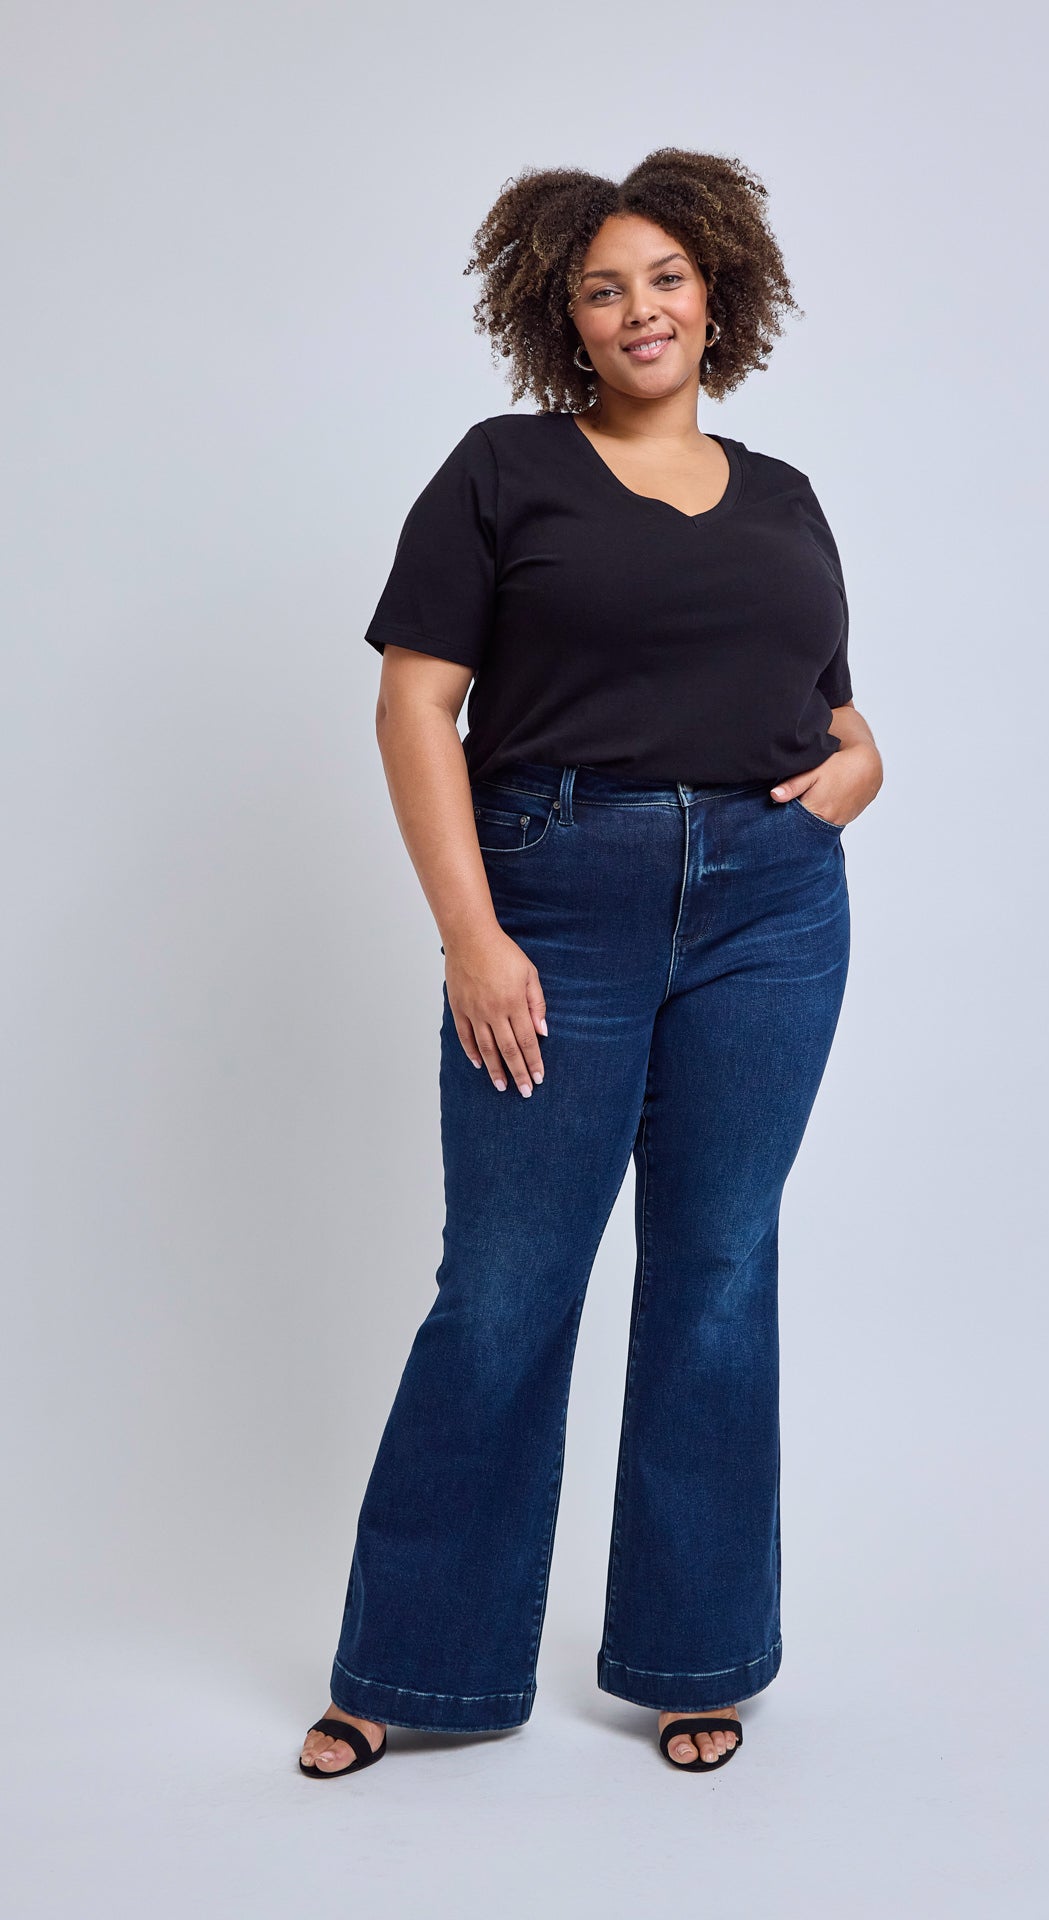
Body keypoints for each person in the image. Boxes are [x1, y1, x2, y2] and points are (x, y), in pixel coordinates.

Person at [299, 147, 883, 1781]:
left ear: (718, 293)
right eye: (605, 287)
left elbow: (825, 706)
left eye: (667, 278)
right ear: (562, 315)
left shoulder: (781, 496)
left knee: (714, 1275)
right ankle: (411, 1666)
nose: (641, 308)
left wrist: (863, 765)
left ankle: (697, 1652)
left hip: (770, 913)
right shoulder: (503, 472)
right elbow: (417, 705)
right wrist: (472, 933)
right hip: (555, 897)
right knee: (501, 1290)